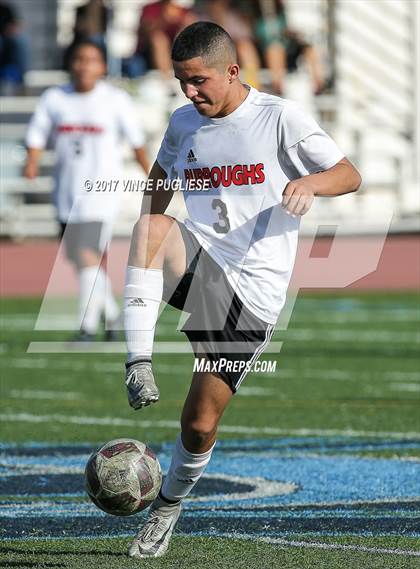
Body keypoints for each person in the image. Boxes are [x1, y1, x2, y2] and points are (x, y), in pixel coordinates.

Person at [123, 21, 361, 558]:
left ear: (233, 71)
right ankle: (136, 361)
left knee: (199, 422)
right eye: (181, 81)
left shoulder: (280, 117)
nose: (189, 92)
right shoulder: (183, 121)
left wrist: (308, 183)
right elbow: (160, 179)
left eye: (199, 80)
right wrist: (148, 245)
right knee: (148, 228)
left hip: (252, 294)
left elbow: (349, 174)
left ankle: (166, 506)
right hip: (204, 260)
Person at [24, 40, 150, 341]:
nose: (84, 65)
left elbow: (137, 142)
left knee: (88, 254)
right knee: (81, 261)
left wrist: (152, 177)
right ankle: (113, 315)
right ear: (70, 64)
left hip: (100, 193)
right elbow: (37, 135)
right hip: (66, 193)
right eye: (79, 59)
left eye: (91, 60)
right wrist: (31, 162)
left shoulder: (115, 100)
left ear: (103, 66)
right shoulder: (54, 98)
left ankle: (87, 327)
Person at [124, 0, 195, 79]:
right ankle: (167, 78)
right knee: (159, 39)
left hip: (173, 49)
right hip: (147, 51)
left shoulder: (182, 11)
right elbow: (146, 30)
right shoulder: (150, 8)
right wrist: (164, 20)